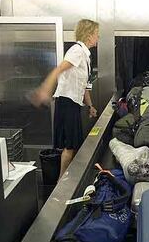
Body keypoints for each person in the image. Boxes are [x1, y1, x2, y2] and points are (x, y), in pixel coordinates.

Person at [32, 19, 99, 179]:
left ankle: (65, 179)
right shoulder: (77, 51)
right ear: (89, 35)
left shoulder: (86, 57)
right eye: (97, 34)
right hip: (66, 102)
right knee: (70, 146)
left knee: (71, 145)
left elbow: (84, 87)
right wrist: (45, 89)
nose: (98, 37)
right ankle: (62, 182)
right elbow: (59, 69)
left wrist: (90, 106)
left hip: (73, 104)